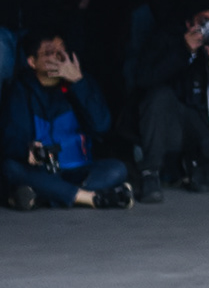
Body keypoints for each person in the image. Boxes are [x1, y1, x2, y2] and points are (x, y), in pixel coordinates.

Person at [131, 0, 209, 199]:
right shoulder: (167, 39)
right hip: (166, 123)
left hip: (200, 121)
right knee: (159, 96)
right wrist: (185, 51)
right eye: (204, 20)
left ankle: (196, 164)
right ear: (189, 24)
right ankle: (150, 173)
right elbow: (144, 79)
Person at [3, 30, 132, 208]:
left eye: (61, 51)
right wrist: (28, 150)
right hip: (41, 171)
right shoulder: (22, 90)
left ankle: (44, 196)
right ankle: (90, 198)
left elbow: (102, 125)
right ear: (32, 62)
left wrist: (79, 82)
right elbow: (11, 138)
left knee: (117, 169)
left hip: (78, 169)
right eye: (49, 53)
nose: (59, 58)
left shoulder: (80, 82)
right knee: (10, 167)